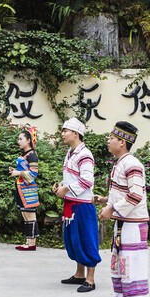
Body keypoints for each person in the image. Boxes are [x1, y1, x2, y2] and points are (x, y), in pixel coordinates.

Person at [100, 121, 150, 297]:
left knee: (133, 268)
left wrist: (112, 209)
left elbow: (136, 194)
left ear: (122, 142)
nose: (108, 141)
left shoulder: (132, 164)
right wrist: (107, 202)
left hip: (132, 225)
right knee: (120, 267)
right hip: (123, 224)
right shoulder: (122, 163)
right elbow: (124, 194)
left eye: (112, 138)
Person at [54, 118, 100, 288]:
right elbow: (72, 178)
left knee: (86, 239)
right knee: (74, 239)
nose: (63, 134)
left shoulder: (85, 154)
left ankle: (90, 279)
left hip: (82, 205)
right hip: (71, 203)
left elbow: (87, 181)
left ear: (75, 134)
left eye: (66, 131)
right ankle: (80, 274)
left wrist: (66, 189)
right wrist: (61, 185)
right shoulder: (71, 152)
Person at [10, 127, 41, 251]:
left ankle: (32, 243)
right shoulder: (25, 154)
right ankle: (28, 241)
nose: (19, 141)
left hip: (28, 189)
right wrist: (16, 171)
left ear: (28, 140)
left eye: (21, 139)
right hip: (21, 187)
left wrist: (18, 173)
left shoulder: (32, 155)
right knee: (24, 214)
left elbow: (34, 173)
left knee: (30, 215)